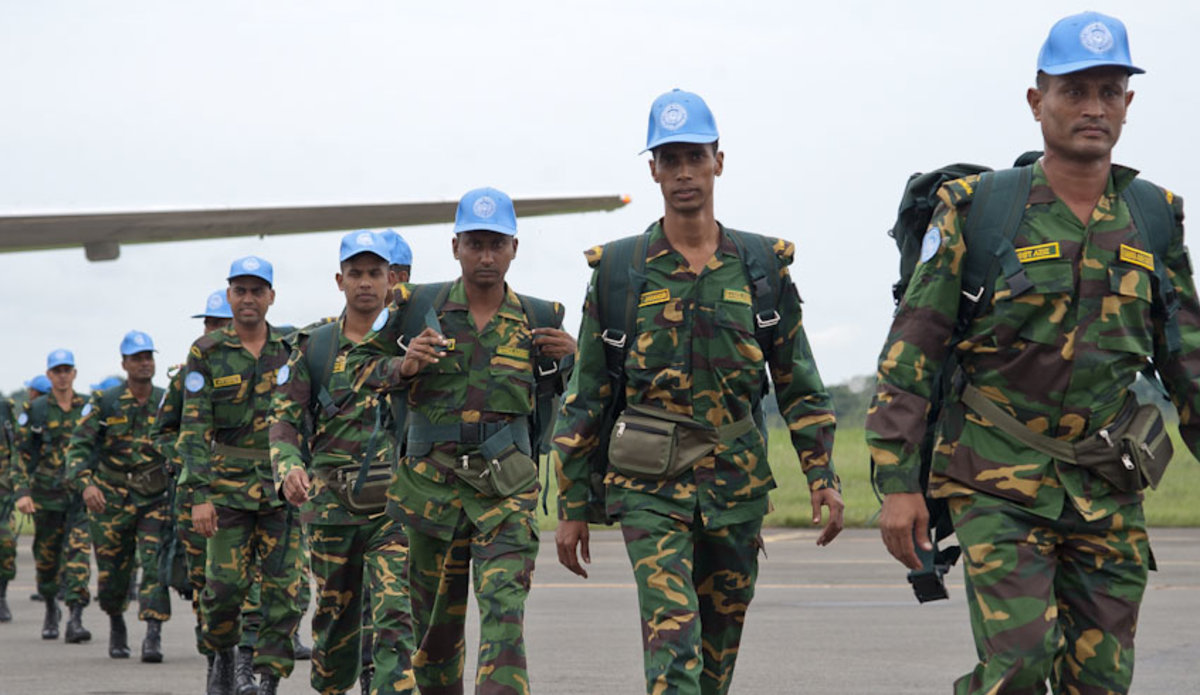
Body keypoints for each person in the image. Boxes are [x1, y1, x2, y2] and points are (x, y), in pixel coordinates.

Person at [865, 13, 1194, 694]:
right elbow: (911, 352)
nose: (1093, 107)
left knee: (1102, 679)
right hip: (997, 478)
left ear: (1128, 104)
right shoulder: (980, 209)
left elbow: (1188, 364)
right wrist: (897, 484)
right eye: (1074, 91)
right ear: (1036, 100)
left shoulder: (1155, 217)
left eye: (1110, 90)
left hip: (1108, 480)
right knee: (1018, 668)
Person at [551, 89, 844, 695]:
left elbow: (798, 381)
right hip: (647, 487)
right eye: (670, 159)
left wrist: (822, 474)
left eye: (695, 156)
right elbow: (588, 396)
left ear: (719, 161)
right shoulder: (619, 272)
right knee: (673, 642)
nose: (684, 172)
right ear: (653, 169)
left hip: (735, 485)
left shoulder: (761, 267)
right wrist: (572, 504)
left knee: (716, 657)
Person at [372, 187, 575, 694]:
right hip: (429, 499)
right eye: (476, 243)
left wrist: (579, 358)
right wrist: (402, 365)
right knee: (436, 638)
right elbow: (353, 370)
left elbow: (578, 398)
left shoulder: (540, 316)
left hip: (505, 496)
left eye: (497, 244)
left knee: (505, 619)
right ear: (455, 245)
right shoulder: (413, 306)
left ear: (514, 249)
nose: (486, 256)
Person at [271, 230, 416, 695]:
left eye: (375, 273)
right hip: (332, 509)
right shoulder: (313, 347)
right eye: (356, 273)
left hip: (393, 507)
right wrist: (288, 466)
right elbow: (284, 423)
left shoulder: (411, 343)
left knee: (394, 614)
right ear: (340, 280)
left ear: (392, 279)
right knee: (335, 630)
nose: (366, 283)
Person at [177, 257, 303, 695]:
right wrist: (198, 495)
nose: (248, 299)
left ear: (271, 296)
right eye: (240, 290)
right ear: (229, 296)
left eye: (257, 290)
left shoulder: (290, 348)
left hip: (280, 490)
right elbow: (193, 427)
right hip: (226, 489)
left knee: (285, 593)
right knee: (225, 589)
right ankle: (223, 654)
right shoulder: (206, 352)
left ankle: (268, 677)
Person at [67, 330, 172, 661]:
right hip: (110, 498)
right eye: (137, 358)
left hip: (154, 497)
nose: (145, 363)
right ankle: (116, 621)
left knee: (155, 566)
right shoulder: (105, 402)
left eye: (148, 357)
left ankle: (153, 633)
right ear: (124, 363)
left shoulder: (166, 400)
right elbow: (79, 447)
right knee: (113, 570)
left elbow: (183, 442)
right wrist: (87, 484)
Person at [13, 349, 94, 644]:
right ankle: (50, 608)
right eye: (57, 370)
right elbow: (19, 456)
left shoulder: (88, 407)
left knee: (78, 556)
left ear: (74, 373)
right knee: (46, 560)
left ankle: (75, 617)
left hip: (80, 497)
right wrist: (22, 492)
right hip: (46, 497)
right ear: (49, 375)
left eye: (67, 370)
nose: (62, 375)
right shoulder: (35, 411)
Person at [0, 393, 17, 623]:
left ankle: (1, 596)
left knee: (5, 544)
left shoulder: (5, 408)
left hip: (2, 491)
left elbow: (19, 449)